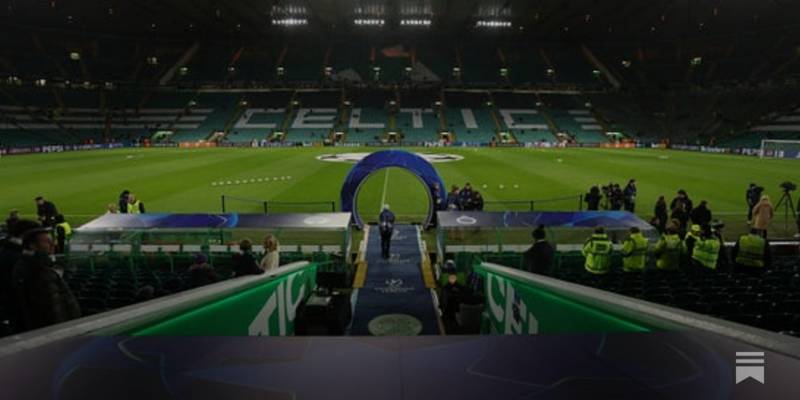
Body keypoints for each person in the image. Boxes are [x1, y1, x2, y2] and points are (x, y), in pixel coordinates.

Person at [11, 227, 81, 332]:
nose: (53, 245)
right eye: (47, 242)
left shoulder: (28, 264)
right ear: (32, 245)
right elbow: (52, 310)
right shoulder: (38, 270)